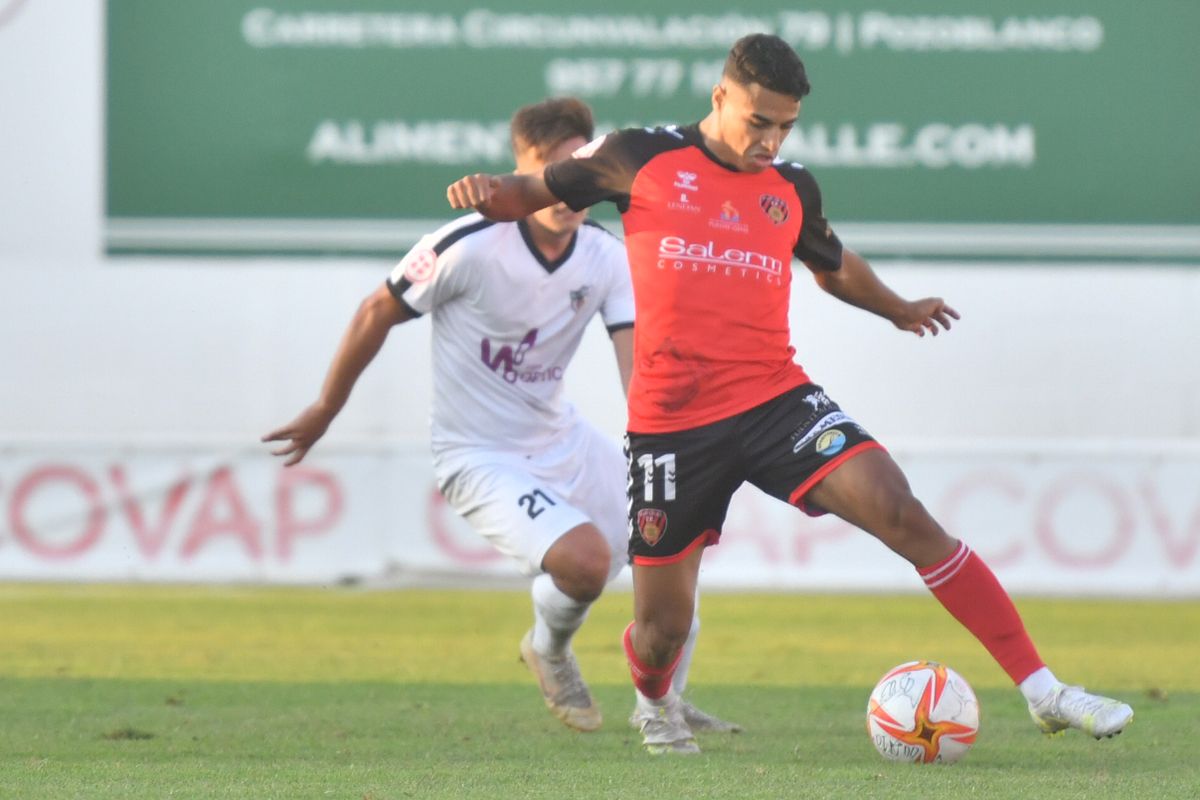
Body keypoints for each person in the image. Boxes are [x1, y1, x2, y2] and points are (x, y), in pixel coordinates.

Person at [446, 34, 1134, 755]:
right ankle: (654, 703)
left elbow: (831, 265)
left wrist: (897, 308)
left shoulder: (791, 188)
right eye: (759, 122)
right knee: (662, 632)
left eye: (786, 127)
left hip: (776, 400)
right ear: (720, 98)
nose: (770, 142)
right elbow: (536, 190)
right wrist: (486, 194)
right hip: (672, 427)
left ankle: (1044, 690)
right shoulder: (639, 156)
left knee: (903, 513)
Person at [264, 97, 737, 736]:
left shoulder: (605, 256)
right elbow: (377, 310)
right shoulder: (469, 245)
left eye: (580, 170)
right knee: (586, 563)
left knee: (670, 538)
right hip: (478, 454)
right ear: (524, 172)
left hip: (560, 436)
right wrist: (326, 408)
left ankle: (665, 705)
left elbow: (639, 370)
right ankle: (548, 649)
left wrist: (672, 448)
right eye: (553, 170)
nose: (568, 190)